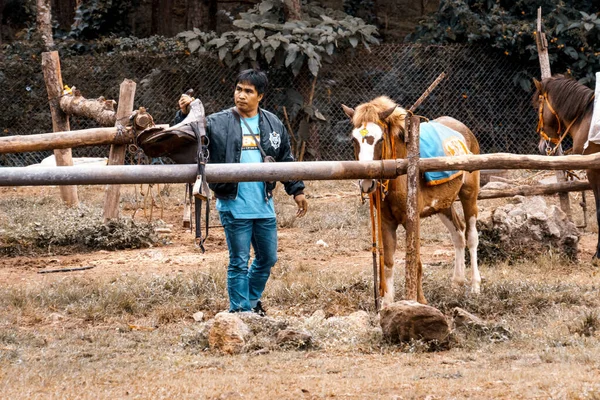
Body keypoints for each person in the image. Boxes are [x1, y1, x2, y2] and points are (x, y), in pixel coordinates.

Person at [175, 69, 308, 315]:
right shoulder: (217, 122)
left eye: (248, 91)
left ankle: (250, 300)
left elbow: (284, 158)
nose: (241, 95)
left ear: (260, 96)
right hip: (233, 204)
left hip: (264, 204)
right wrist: (185, 112)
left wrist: (296, 189)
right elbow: (186, 135)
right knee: (238, 262)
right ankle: (240, 312)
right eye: (239, 89)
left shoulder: (273, 124)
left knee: (268, 259)